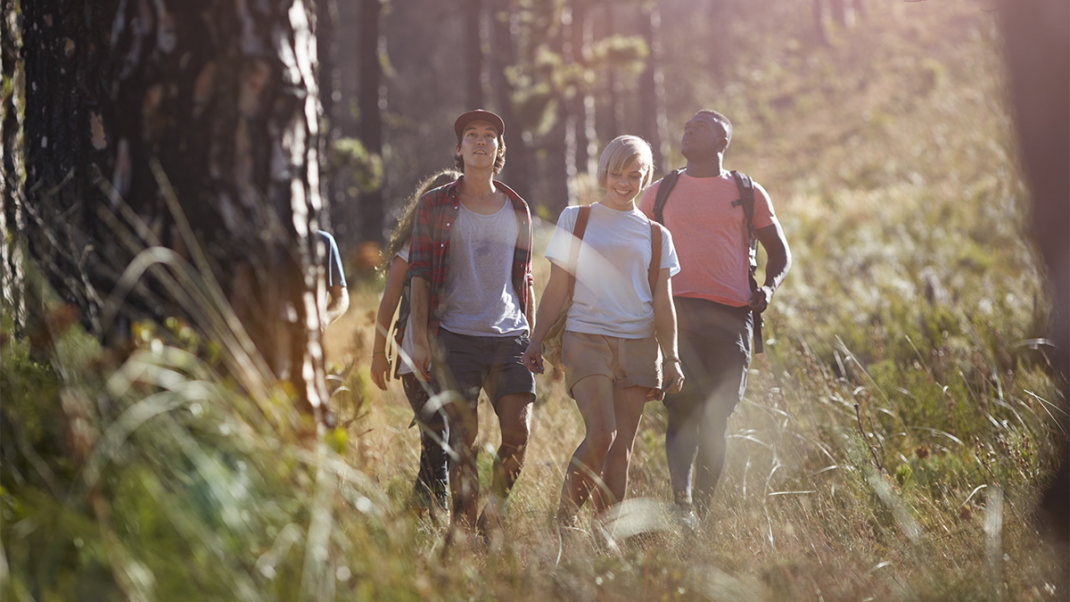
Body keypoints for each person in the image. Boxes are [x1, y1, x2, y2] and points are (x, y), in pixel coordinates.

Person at [523, 135, 684, 538]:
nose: (624, 182)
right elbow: (557, 287)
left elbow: (663, 304)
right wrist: (535, 339)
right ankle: (562, 525)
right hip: (586, 338)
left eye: (634, 174)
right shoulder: (576, 219)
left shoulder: (656, 235)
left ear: (646, 177)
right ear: (604, 172)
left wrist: (672, 357)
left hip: (639, 346)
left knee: (622, 452)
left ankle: (605, 538)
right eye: (616, 173)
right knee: (602, 434)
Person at [638, 109, 792, 520]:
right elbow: (634, 246)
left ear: (723, 141)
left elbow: (780, 252)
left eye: (702, 127)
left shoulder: (747, 191)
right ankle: (682, 506)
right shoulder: (660, 192)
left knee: (715, 416)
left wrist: (769, 290)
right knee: (683, 405)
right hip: (677, 314)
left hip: (732, 318)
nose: (689, 130)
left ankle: (702, 515)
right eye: (687, 125)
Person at [406, 110, 537, 539]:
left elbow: (525, 278)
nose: (481, 141)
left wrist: (534, 337)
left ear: (500, 150)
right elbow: (420, 274)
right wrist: (423, 338)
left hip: (509, 335)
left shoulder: (517, 207)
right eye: (471, 135)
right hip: (456, 336)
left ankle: (493, 513)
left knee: (518, 433)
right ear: (458, 149)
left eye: (489, 136)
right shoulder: (435, 203)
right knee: (464, 443)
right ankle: (461, 533)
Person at [370, 168, 462, 516]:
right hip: (414, 358)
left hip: (459, 357)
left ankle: (415, 513)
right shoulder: (411, 248)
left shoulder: (468, 243)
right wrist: (379, 354)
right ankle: (435, 519)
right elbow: (388, 304)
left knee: (439, 441)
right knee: (437, 439)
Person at [318, 230, 350, 327]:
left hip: (309, 337)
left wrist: (324, 320)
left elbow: (341, 297)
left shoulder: (324, 241)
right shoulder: (271, 240)